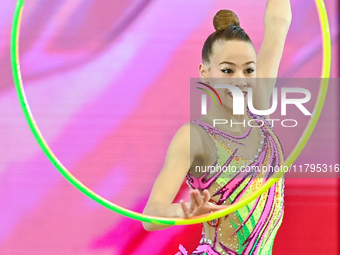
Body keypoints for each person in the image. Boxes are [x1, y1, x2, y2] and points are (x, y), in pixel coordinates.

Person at [142, 1, 292, 254]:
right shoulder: (194, 137)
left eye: (248, 70)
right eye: (227, 70)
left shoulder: (258, 106)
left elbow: (278, 24)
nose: (240, 81)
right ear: (205, 72)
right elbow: (151, 215)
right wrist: (185, 211)